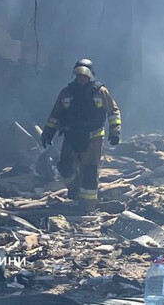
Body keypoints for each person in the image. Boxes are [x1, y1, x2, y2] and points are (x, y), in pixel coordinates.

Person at [40, 59, 121, 213]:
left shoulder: (100, 91)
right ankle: (75, 189)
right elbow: (55, 115)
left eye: (84, 76)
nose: (81, 78)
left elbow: (113, 111)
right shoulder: (66, 92)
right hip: (71, 137)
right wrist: (47, 133)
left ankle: (87, 208)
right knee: (64, 167)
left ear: (90, 76)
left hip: (93, 139)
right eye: (78, 76)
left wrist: (115, 131)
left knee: (89, 172)